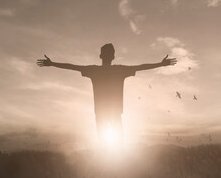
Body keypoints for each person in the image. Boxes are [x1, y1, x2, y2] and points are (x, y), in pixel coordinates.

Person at [37, 43, 177, 145]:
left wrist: (53, 63)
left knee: (107, 147)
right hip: (113, 113)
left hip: (103, 113)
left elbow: (73, 67)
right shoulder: (119, 70)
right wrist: (160, 64)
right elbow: (140, 67)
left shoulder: (94, 70)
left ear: (101, 56)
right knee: (116, 148)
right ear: (113, 56)